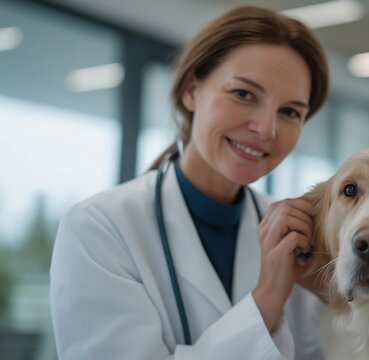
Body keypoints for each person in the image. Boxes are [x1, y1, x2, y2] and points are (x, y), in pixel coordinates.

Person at [50, 6, 329, 360]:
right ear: (190, 91)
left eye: (290, 112)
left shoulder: (296, 233)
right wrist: (267, 298)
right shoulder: (99, 228)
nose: (266, 129)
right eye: (244, 94)